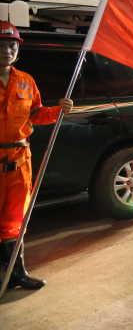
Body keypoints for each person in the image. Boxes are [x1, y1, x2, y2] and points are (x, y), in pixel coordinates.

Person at [0, 21, 73, 290]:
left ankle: (15, 274)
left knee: (15, 219)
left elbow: (36, 114)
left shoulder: (26, 81)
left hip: (19, 161)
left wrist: (58, 110)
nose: (7, 50)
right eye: (1, 44)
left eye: (11, 45)